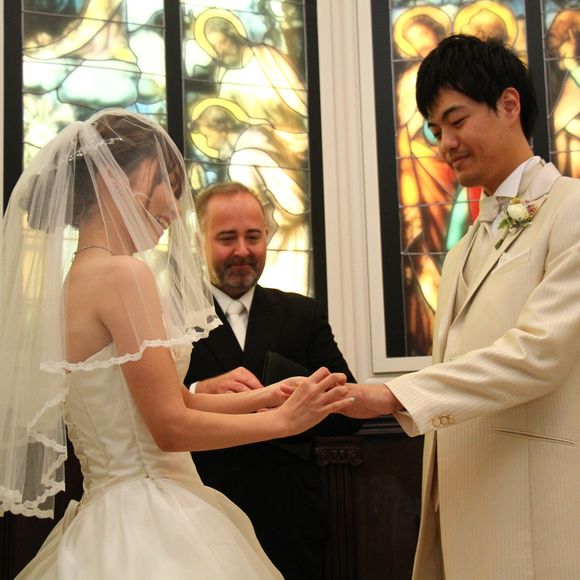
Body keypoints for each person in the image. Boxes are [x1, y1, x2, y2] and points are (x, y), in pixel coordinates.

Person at [0, 109, 354, 579]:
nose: (172, 208)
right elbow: (168, 428)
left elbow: (162, 402)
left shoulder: (77, 279)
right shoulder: (124, 274)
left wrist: (265, 396)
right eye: (164, 183)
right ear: (115, 179)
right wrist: (282, 420)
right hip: (150, 515)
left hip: (107, 516)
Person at [344, 35, 580, 579]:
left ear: (509, 104)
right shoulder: (460, 251)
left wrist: (392, 394)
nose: (445, 144)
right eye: (435, 131)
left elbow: (538, 355)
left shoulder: (570, 210)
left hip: (537, 513)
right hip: (463, 507)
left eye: (456, 121)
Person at [185, 181, 359, 580]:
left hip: (289, 521)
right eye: (226, 238)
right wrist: (198, 391)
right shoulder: (168, 320)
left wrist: (288, 404)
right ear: (197, 242)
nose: (242, 250)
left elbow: (346, 412)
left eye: (253, 237)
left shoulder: (303, 314)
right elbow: (152, 413)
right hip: (201, 515)